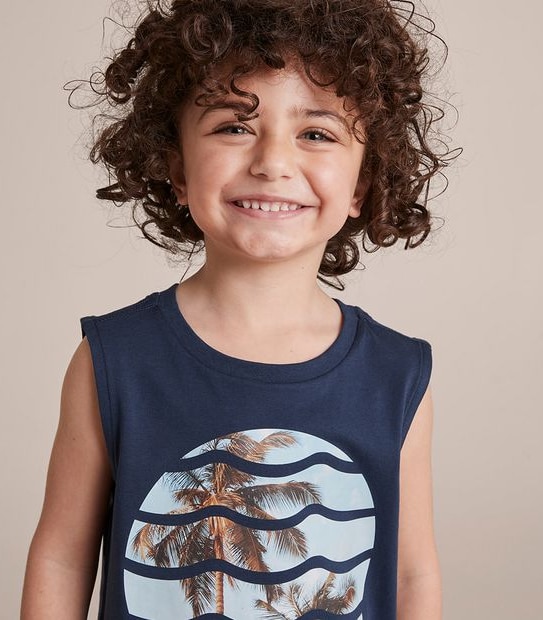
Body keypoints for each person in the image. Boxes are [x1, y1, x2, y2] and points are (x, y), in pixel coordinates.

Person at [21, 0, 457, 618]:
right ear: (176, 169)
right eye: (234, 126)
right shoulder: (113, 361)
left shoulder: (398, 375)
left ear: (362, 185)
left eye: (316, 134)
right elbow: (62, 558)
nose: (272, 162)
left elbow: (411, 575)